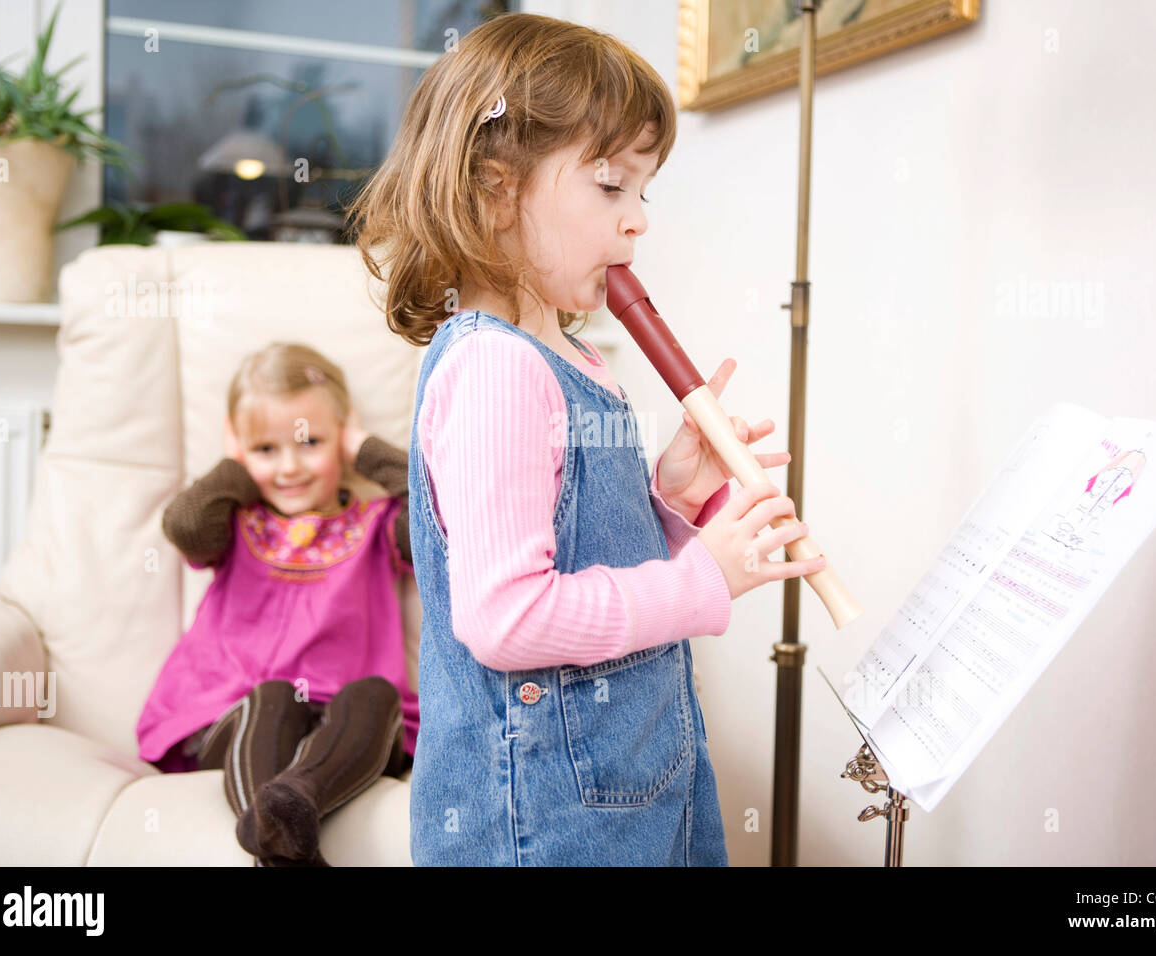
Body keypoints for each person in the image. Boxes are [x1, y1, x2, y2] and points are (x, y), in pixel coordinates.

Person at [346, 12, 827, 866]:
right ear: (495, 190)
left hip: (633, 784)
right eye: (611, 187)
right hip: (545, 824)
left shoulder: (569, 355)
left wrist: (670, 495)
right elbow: (509, 617)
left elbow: (575, 537)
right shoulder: (495, 369)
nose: (637, 221)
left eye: (644, 191)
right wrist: (705, 577)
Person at [136, 342, 416, 866]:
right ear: (239, 450)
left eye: (310, 442)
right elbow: (185, 525)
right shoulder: (235, 522)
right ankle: (290, 846)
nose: (289, 466)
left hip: (341, 733)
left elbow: (437, 513)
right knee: (275, 696)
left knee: (376, 695)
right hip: (241, 718)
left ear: (341, 438)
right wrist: (234, 462)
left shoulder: (377, 526)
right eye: (266, 449)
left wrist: (362, 447)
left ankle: (294, 808)